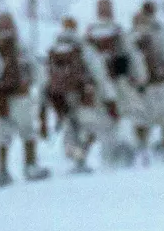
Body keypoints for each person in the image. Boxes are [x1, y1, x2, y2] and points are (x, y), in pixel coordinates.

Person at [42, 16, 113, 174]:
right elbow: (98, 72)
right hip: (82, 93)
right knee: (89, 125)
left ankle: (76, 159)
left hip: (61, 95)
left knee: (70, 126)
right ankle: (82, 159)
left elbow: (45, 76)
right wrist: (108, 96)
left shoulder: (54, 48)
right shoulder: (83, 47)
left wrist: (45, 100)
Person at [0, 12, 48, 186]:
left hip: (0, 97)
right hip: (19, 95)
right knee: (26, 131)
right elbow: (34, 68)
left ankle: (2, 171)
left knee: (3, 134)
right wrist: (37, 83)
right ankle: (30, 166)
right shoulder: (19, 45)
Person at [83, 0, 145, 166]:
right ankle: (126, 155)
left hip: (98, 87)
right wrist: (140, 79)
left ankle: (108, 159)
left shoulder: (89, 34)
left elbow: (85, 61)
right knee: (127, 116)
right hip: (119, 83)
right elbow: (133, 56)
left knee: (104, 122)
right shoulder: (118, 32)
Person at [129, 1, 164, 159]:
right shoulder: (159, 31)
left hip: (139, 85)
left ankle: (141, 149)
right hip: (160, 80)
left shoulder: (131, 34)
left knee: (141, 117)